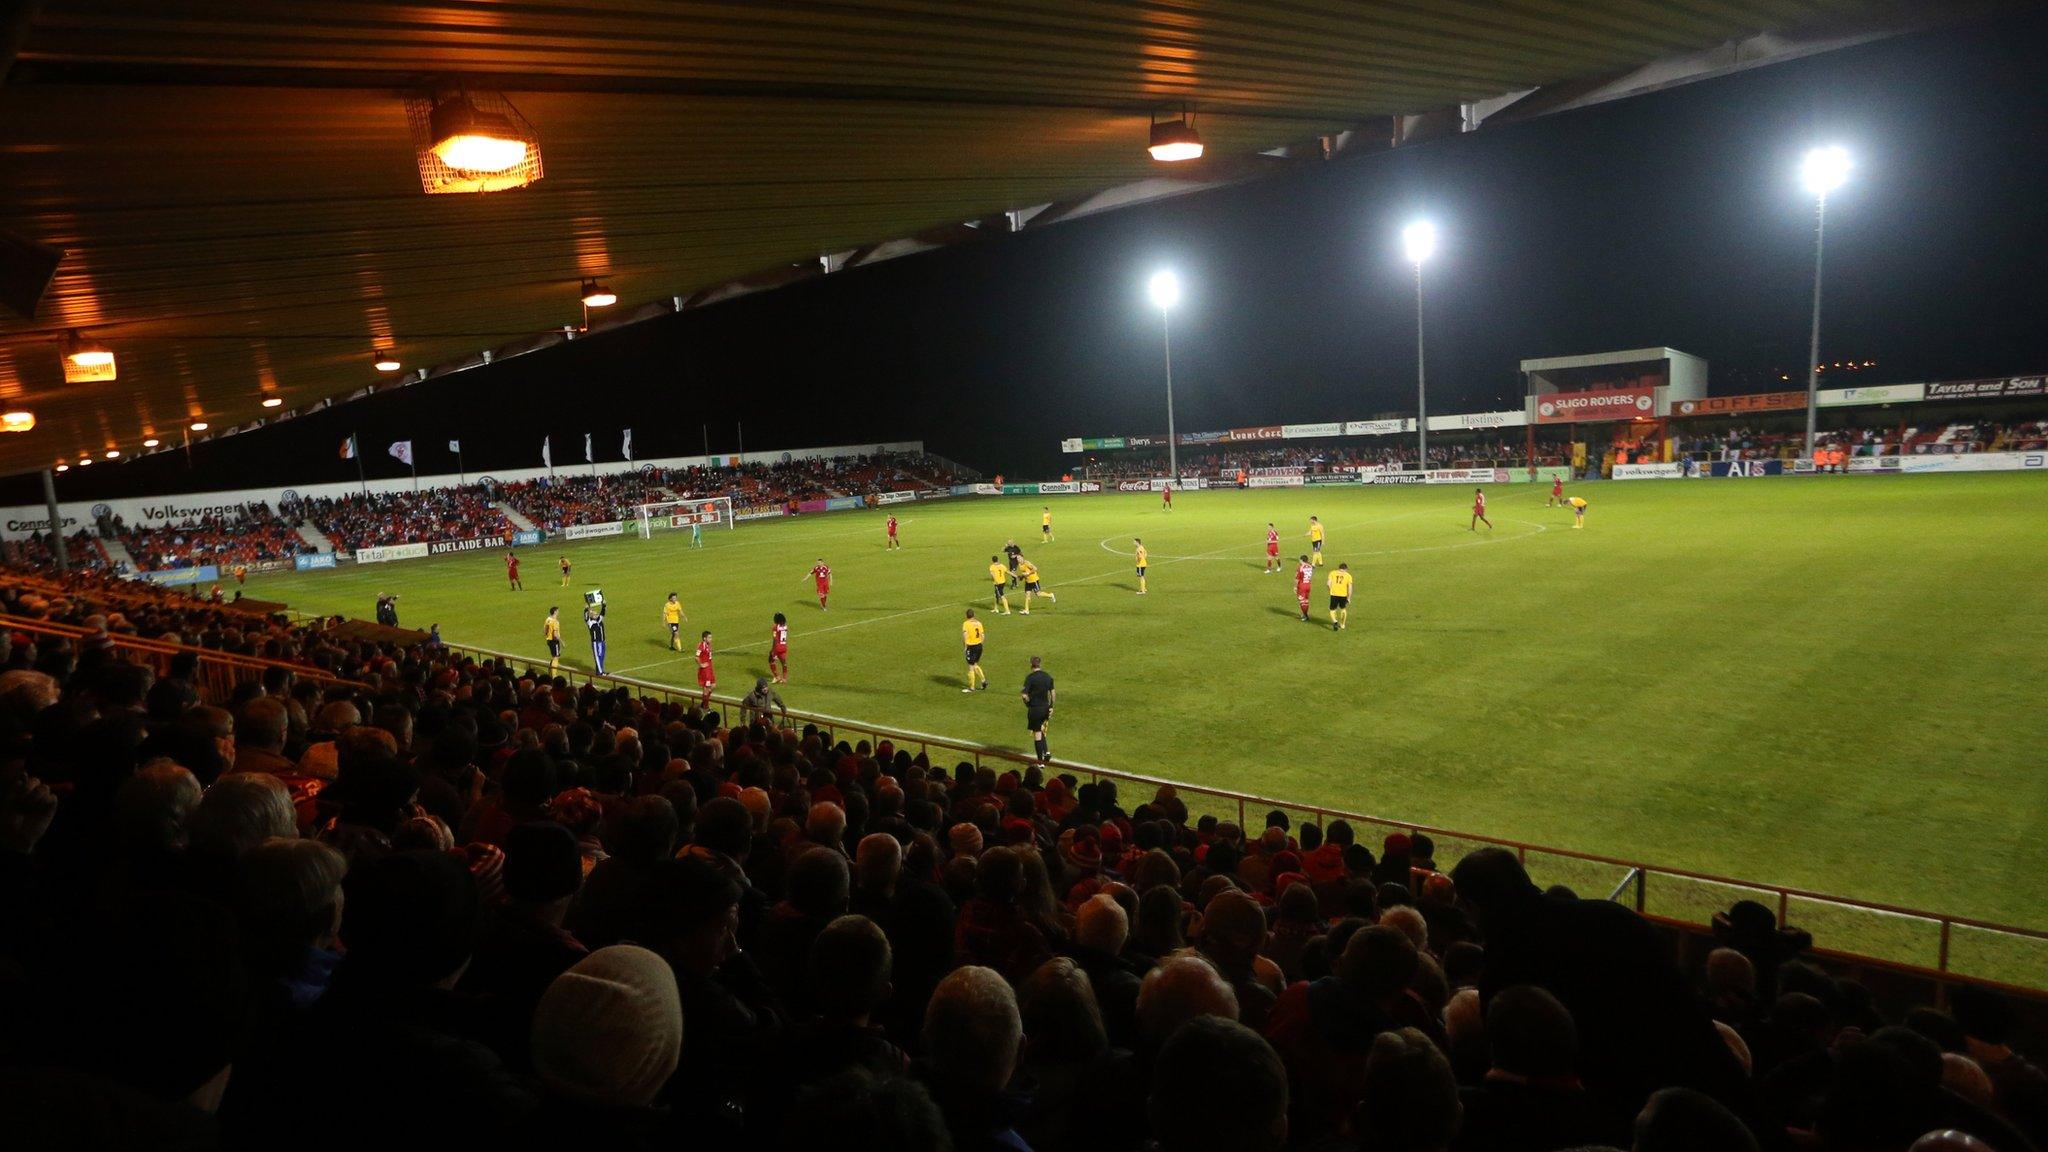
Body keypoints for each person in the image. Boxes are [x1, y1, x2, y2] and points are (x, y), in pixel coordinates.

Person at [1022, 655, 1055, 763]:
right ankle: (1046, 752)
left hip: (1035, 709)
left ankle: (1040, 762)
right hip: (1046, 708)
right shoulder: (1047, 676)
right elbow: (1053, 694)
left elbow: (1024, 695)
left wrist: (1027, 703)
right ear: (1040, 664)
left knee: (1037, 734)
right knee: (1041, 730)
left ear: (1031, 664)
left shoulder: (1030, 678)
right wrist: (1051, 707)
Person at [961, 609, 988, 694]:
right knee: (975, 664)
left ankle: (971, 688)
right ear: (974, 615)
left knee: (971, 666)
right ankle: (983, 681)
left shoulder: (966, 624)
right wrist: (980, 644)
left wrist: (965, 647)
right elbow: (983, 635)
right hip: (979, 646)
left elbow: (965, 635)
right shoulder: (979, 623)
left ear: (966, 615)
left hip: (971, 646)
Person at [1327, 561, 1353, 631]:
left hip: (1334, 594)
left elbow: (1328, 584)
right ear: (1346, 569)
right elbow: (1350, 587)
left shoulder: (1332, 573)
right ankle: (1342, 624)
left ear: (1339, 568)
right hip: (1343, 595)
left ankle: (1335, 621)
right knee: (1343, 608)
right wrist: (1349, 598)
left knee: (1332, 609)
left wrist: (1330, 590)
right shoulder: (1348, 575)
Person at [584, 602, 607, 675]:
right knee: (597, 657)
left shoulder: (599, 620)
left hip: (602, 641)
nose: (597, 615)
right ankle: (600, 672)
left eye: (597, 614)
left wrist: (603, 605)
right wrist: (586, 609)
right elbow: (586, 617)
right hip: (595, 642)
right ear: (591, 616)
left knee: (602, 657)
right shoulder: (590, 622)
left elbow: (603, 613)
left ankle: (599, 671)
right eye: (595, 614)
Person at [695, 630, 715, 707]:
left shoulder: (708, 645)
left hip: (710, 668)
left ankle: (704, 702)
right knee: (706, 689)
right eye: (709, 637)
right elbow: (696, 657)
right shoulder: (701, 646)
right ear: (704, 638)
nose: (711, 639)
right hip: (705, 671)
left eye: (711, 637)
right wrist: (701, 665)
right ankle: (705, 706)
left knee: (713, 686)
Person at [769, 612, 790, 683]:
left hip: (777, 647)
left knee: (771, 660)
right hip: (784, 646)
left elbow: (775, 639)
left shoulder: (775, 627)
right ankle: (784, 679)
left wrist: (772, 650)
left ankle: (777, 677)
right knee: (784, 662)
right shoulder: (785, 626)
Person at [1295, 554, 1315, 623]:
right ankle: (1304, 614)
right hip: (1308, 584)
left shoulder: (1300, 567)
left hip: (1302, 585)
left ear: (1301, 560)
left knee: (1301, 601)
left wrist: (1295, 587)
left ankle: (1305, 615)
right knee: (1306, 600)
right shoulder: (1310, 566)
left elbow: (1297, 578)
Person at [543, 606, 563, 675]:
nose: (558, 612)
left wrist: (548, 635)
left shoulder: (548, 619)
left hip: (549, 640)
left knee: (553, 656)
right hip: (554, 641)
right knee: (556, 657)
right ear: (554, 612)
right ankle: (554, 675)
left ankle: (550, 673)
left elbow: (545, 631)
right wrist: (561, 642)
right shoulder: (555, 622)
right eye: (557, 611)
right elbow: (555, 635)